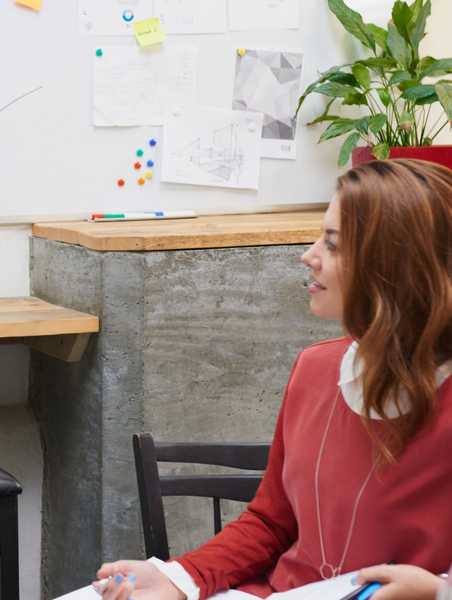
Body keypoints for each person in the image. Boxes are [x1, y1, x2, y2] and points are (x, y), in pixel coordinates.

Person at [96, 158, 452, 600]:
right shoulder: (315, 368)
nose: (309, 255)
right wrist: (181, 576)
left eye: (334, 244)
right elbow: (271, 521)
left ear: (395, 265)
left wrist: (437, 592)